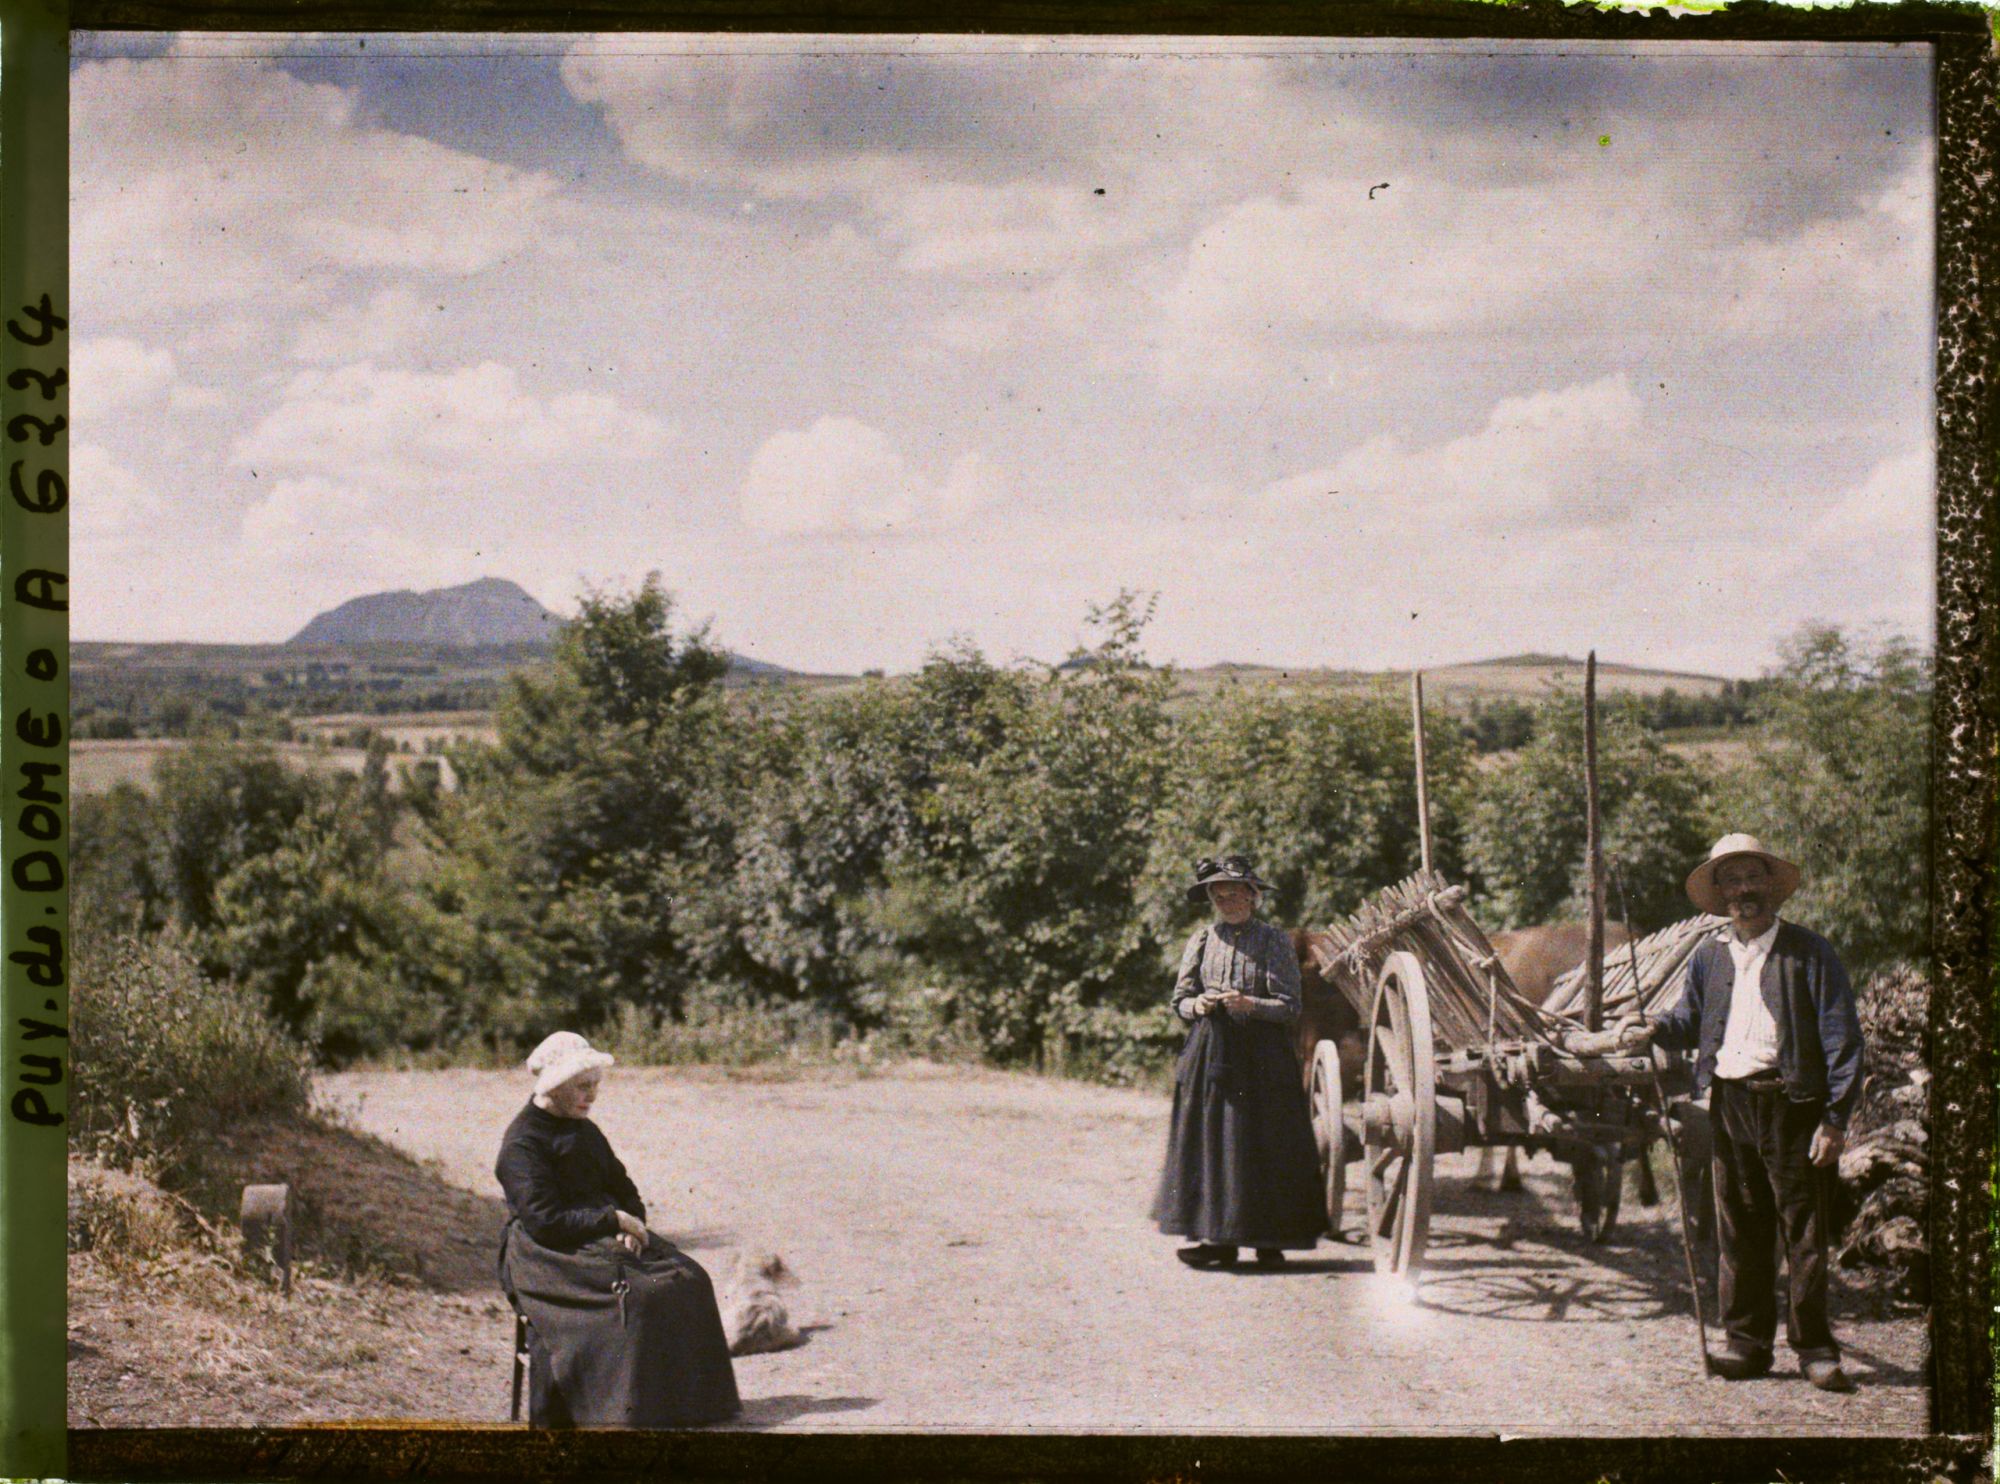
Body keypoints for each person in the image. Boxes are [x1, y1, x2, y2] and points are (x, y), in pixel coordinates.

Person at [1619, 834, 1865, 1393]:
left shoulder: (1810, 952)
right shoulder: (1710, 956)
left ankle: (1815, 1350)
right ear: (1720, 893)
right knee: (1738, 1228)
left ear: (1772, 888)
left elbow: (1842, 1040)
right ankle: (1747, 1345)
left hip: (1792, 1105)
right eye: (1732, 882)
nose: (1744, 891)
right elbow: (1690, 1017)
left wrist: (1834, 1120)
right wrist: (1654, 1027)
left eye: (1753, 878)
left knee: (1803, 1233)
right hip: (1728, 1104)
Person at [495, 1031, 741, 1427]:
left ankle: (684, 1407)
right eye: (582, 1086)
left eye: (595, 1086)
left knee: (692, 1279)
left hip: (598, 1233)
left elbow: (623, 1187)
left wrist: (631, 1222)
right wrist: (612, 1221)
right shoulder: (522, 1143)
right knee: (640, 1299)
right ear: (555, 1086)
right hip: (546, 1253)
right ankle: (622, 1413)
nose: (591, 1095)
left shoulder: (584, 1130)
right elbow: (545, 1221)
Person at [1151, 854, 1326, 1269]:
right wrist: (1200, 1004)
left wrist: (1251, 1003)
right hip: (1211, 1051)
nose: (1229, 901)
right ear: (1212, 899)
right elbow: (1180, 1000)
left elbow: (1289, 1005)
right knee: (1215, 1142)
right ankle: (1219, 1240)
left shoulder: (1274, 941)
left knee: (1264, 1142)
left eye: (1236, 893)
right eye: (1220, 895)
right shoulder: (1202, 940)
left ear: (1253, 896)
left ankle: (1270, 1242)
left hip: (1263, 1055)